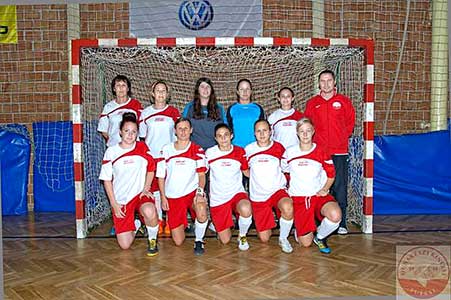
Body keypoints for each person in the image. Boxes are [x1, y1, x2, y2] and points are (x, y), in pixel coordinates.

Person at [99, 113, 160, 256]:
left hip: (139, 196)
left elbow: (151, 168)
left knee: (150, 211)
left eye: (134, 132)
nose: (130, 135)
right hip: (121, 199)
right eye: (127, 131)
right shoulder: (111, 152)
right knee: (125, 245)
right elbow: (106, 180)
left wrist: (146, 188)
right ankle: (137, 224)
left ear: (137, 133)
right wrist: (113, 204)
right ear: (120, 131)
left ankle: (152, 240)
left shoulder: (142, 148)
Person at [304, 70, 355, 235]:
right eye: (322, 81)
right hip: (319, 154)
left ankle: (342, 222)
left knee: (340, 187)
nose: (326, 84)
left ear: (334, 83)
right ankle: (318, 220)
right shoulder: (312, 103)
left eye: (329, 80)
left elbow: (349, 124)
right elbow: (308, 126)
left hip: (339, 152)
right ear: (319, 84)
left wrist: (339, 139)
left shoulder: (344, 102)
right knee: (318, 186)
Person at [282, 117, 342, 254]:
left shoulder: (322, 151)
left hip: (317, 196)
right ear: (297, 133)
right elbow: (284, 172)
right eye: (302, 131)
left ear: (313, 132)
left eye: (308, 131)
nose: (305, 134)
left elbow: (331, 174)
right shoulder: (289, 153)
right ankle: (301, 228)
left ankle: (320, 237)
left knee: (335, 214)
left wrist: (325, 189)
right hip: (299, 199)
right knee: (305, 244)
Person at [156, 118, 209, 255]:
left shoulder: (197, 150)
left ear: (191, 130)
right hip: (173, 196)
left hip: (192, 193)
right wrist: (163, 197)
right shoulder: (166, 150)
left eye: (186, 128)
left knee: (202, 208)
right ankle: (185, 224)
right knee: (178, 241)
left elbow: (201, 175)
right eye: (180, 128)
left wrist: (199, 192)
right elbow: (160, 176)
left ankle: (198, 240)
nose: (183, 131)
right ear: (175, 131)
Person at [245, 119, 294, 254]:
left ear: (271, 132)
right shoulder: (248, 150)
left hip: (277, 191)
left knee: (287, 206)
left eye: (265, 130)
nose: (262, 134)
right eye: (258, 131)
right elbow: (245, 171)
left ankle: (283, 238)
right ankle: (273, 223)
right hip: (259, 196)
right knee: (264, 238)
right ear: (254, 133)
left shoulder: (279, 148)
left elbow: (286, 169)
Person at [139, 80, 180, 235]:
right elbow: (142, 136)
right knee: (155, 190)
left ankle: (170, 220)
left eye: (164, 90)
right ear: (152, 94)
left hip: (168, 157)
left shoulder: (173, 112)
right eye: (158, 90)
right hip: (152, 157)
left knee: (169, 189)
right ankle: (159, 220)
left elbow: (178, 135)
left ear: (167, 94)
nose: (161, 93)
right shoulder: (145, 113)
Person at [205, 123, 253, 251]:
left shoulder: (240, 151)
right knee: (225, 241)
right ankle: (217, 224)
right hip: (218, 198)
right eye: (219, 136)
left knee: (246, 207)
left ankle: (242, 236)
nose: (223, 138)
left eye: (226, 135)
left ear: (231, 136)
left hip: (236, 193)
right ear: (215, 138)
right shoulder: (210, 153)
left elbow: (246, 172)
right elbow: (201, 174)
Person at [182, 77, 227, 150]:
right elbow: (182, 127)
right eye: (202, 87)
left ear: (211, 90)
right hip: (194, 149)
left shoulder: (219, 108)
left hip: (215, 149)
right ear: (198, 90)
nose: (205, 89)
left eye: (208, 87)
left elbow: (225, 129)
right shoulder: (189, 107)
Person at [98, 75, 143, 147]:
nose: (121, 88)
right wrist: (114, 140)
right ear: (114, 89)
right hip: (114, 147)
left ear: (128, 89)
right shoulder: (108, 107)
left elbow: (142, 127)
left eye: (123, 85)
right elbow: (103, 130)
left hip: (132, 148)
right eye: (118, 85)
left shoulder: (136, 105)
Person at [227, 78, 265, 148]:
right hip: (237, 148)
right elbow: (228, 130)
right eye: (242, 89)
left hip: (255, 148)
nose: (245, 92)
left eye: (247, 89)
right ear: (237, 92)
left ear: (251, 91)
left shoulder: (258, 108)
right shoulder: (232, 109)